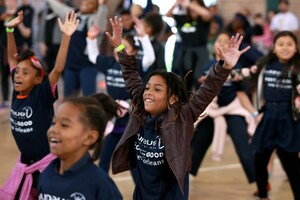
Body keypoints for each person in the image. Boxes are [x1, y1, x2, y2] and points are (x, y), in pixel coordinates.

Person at [106, 16, 250, 199]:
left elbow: (206, 91)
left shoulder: (181, 118)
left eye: (157, 89)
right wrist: (119, 46)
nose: (148, 92)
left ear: (172, 98)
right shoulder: (141, 110)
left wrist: (224, 67)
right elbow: (130, 75)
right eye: (148, 88)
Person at [0, 11, 78, 199]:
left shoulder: (42, 93)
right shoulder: (17, 89)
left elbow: (58, 68)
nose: (18, 75)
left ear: (38, 79)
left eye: (25, 73)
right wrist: (10, 28)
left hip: (46, 165)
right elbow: (12, 58)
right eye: (17, 72)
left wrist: (66, 36)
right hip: (27, 164)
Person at [86, 16, 155, 173]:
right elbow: (92, 56)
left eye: (125, 47)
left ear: (134, 52)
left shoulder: (135, 64)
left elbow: (150, 58)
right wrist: (90, 39)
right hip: (114, 120)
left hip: (132, 122)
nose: (119, 50)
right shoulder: (110, 63)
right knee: (103, 160)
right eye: (117, 46)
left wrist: (144, 37)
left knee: (134, 165)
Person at [190, 32, 257, 186]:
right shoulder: (206, 66)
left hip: (232, 110)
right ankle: (180, 184)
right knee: (194, 149)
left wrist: (254, 113)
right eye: (219, 41)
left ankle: (261, 186)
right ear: (213, 46)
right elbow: (200, 95)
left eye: (226, 41)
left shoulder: (236, 67)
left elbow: (241, 93)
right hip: (212, 112)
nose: (222, 43)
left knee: (245, 151)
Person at [37, 94, 123, 199]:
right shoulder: (46, 173)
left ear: (89, 138)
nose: (54, 130)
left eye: (64, 125)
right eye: (53, 123)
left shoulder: (99, 184)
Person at [251, 31, 300, 200]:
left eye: (289, 44)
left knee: (292, 167)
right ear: (273, 48)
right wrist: (223, 70)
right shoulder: (265, 65)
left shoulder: (298, 67)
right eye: (281, 44)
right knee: (259, 161)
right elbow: (246, 73)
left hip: (288, 121)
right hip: (268, 118)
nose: (285, 47)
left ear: (296, 48)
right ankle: (263, 196)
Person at [45, 0, 108, 97]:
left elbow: (100, 24)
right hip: (71, 63)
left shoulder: (95, 19)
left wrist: (102, 6)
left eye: (90, 4)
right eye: (85, 2)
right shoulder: (73, 14)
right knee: (69, 96)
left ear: (95, 9)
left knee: (88, 97)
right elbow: (59, 7)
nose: (85, 4)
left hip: (87, 64)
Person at [166, 0, 212, 91]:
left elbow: (207, 14)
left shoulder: (203, 20)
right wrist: (177, 3)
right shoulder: (184, 18)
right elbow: (167, 14)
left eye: (196, 5)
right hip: (185, 53)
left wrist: (189, 4)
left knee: (199, 80)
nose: (192, 7)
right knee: (184, 81)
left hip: (200, 54)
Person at [0, 0, 34, 108]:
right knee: (4, 76)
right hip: (3, 50)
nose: (10, 2)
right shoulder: (2, 14)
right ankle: (5, 100)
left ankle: (22, 98)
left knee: (18, 75)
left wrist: (17, 22)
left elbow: (27, 33)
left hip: (19, 50)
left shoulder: (22, 13)